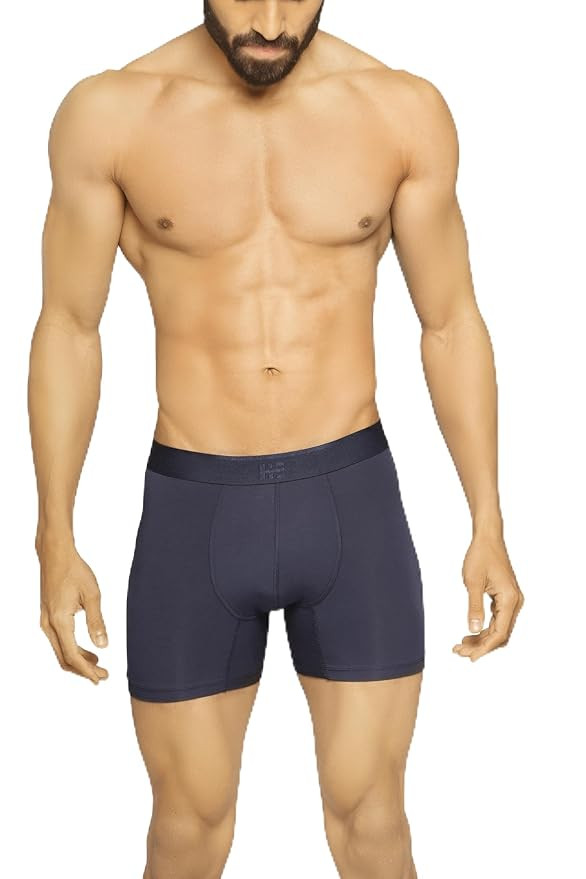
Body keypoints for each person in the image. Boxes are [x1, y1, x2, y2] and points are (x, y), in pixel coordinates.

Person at [28, 1, 525, 877]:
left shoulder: (399, 110)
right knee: (186, 830)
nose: (267, 20)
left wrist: (488, 518)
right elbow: (69, 326)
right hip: (193, 511)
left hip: (352, 504)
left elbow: (450, 322)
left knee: (374, 823)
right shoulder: (112, 114)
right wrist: (54, 535)